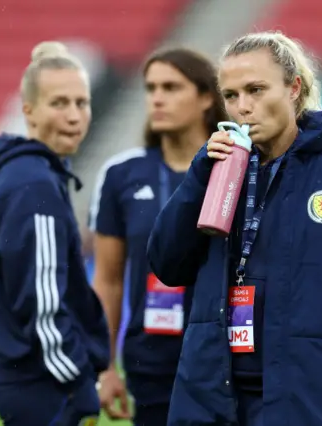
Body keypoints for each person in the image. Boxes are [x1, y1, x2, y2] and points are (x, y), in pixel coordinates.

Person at [146, 30, 322, 426]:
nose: (243, 107)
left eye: (256, 90)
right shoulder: (216, 171)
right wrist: (197, 178)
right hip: (212, 401)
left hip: (305, 404)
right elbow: (167, 265)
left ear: (294, 88)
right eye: (231, 95)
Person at [90, 47, 228, 425]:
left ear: (205, 97)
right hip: (149, 362)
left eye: (171, 87)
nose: (157, 98)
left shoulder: (235, 169)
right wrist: (105, 368)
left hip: (223, 362)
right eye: (151, 88)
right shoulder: (122, 174)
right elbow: (108, 279)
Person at [0, 41, 109, 426]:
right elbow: (42, 303)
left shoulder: (30, 174)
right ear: (29, 112)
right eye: (59, 103)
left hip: (26, 381)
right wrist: (78, 378)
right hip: (45, 384)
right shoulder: (35, 185)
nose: (73, 116)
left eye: (81, 103)